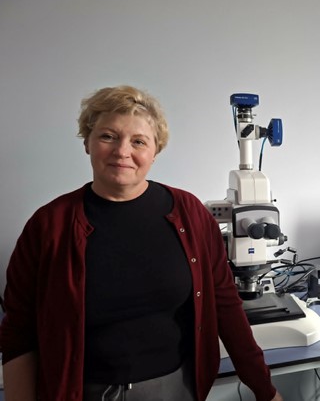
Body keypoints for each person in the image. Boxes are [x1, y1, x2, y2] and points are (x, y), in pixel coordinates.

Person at [0, 85, 284, 401]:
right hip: (79, 392)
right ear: (87, 143)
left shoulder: (190, 214)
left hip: (174, 390)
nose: (122, 151)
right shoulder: (48, 225)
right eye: (108, 136)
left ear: (155, 151)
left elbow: (226, 306)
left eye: (138, 141)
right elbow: (18, 332)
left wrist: (265, 390)